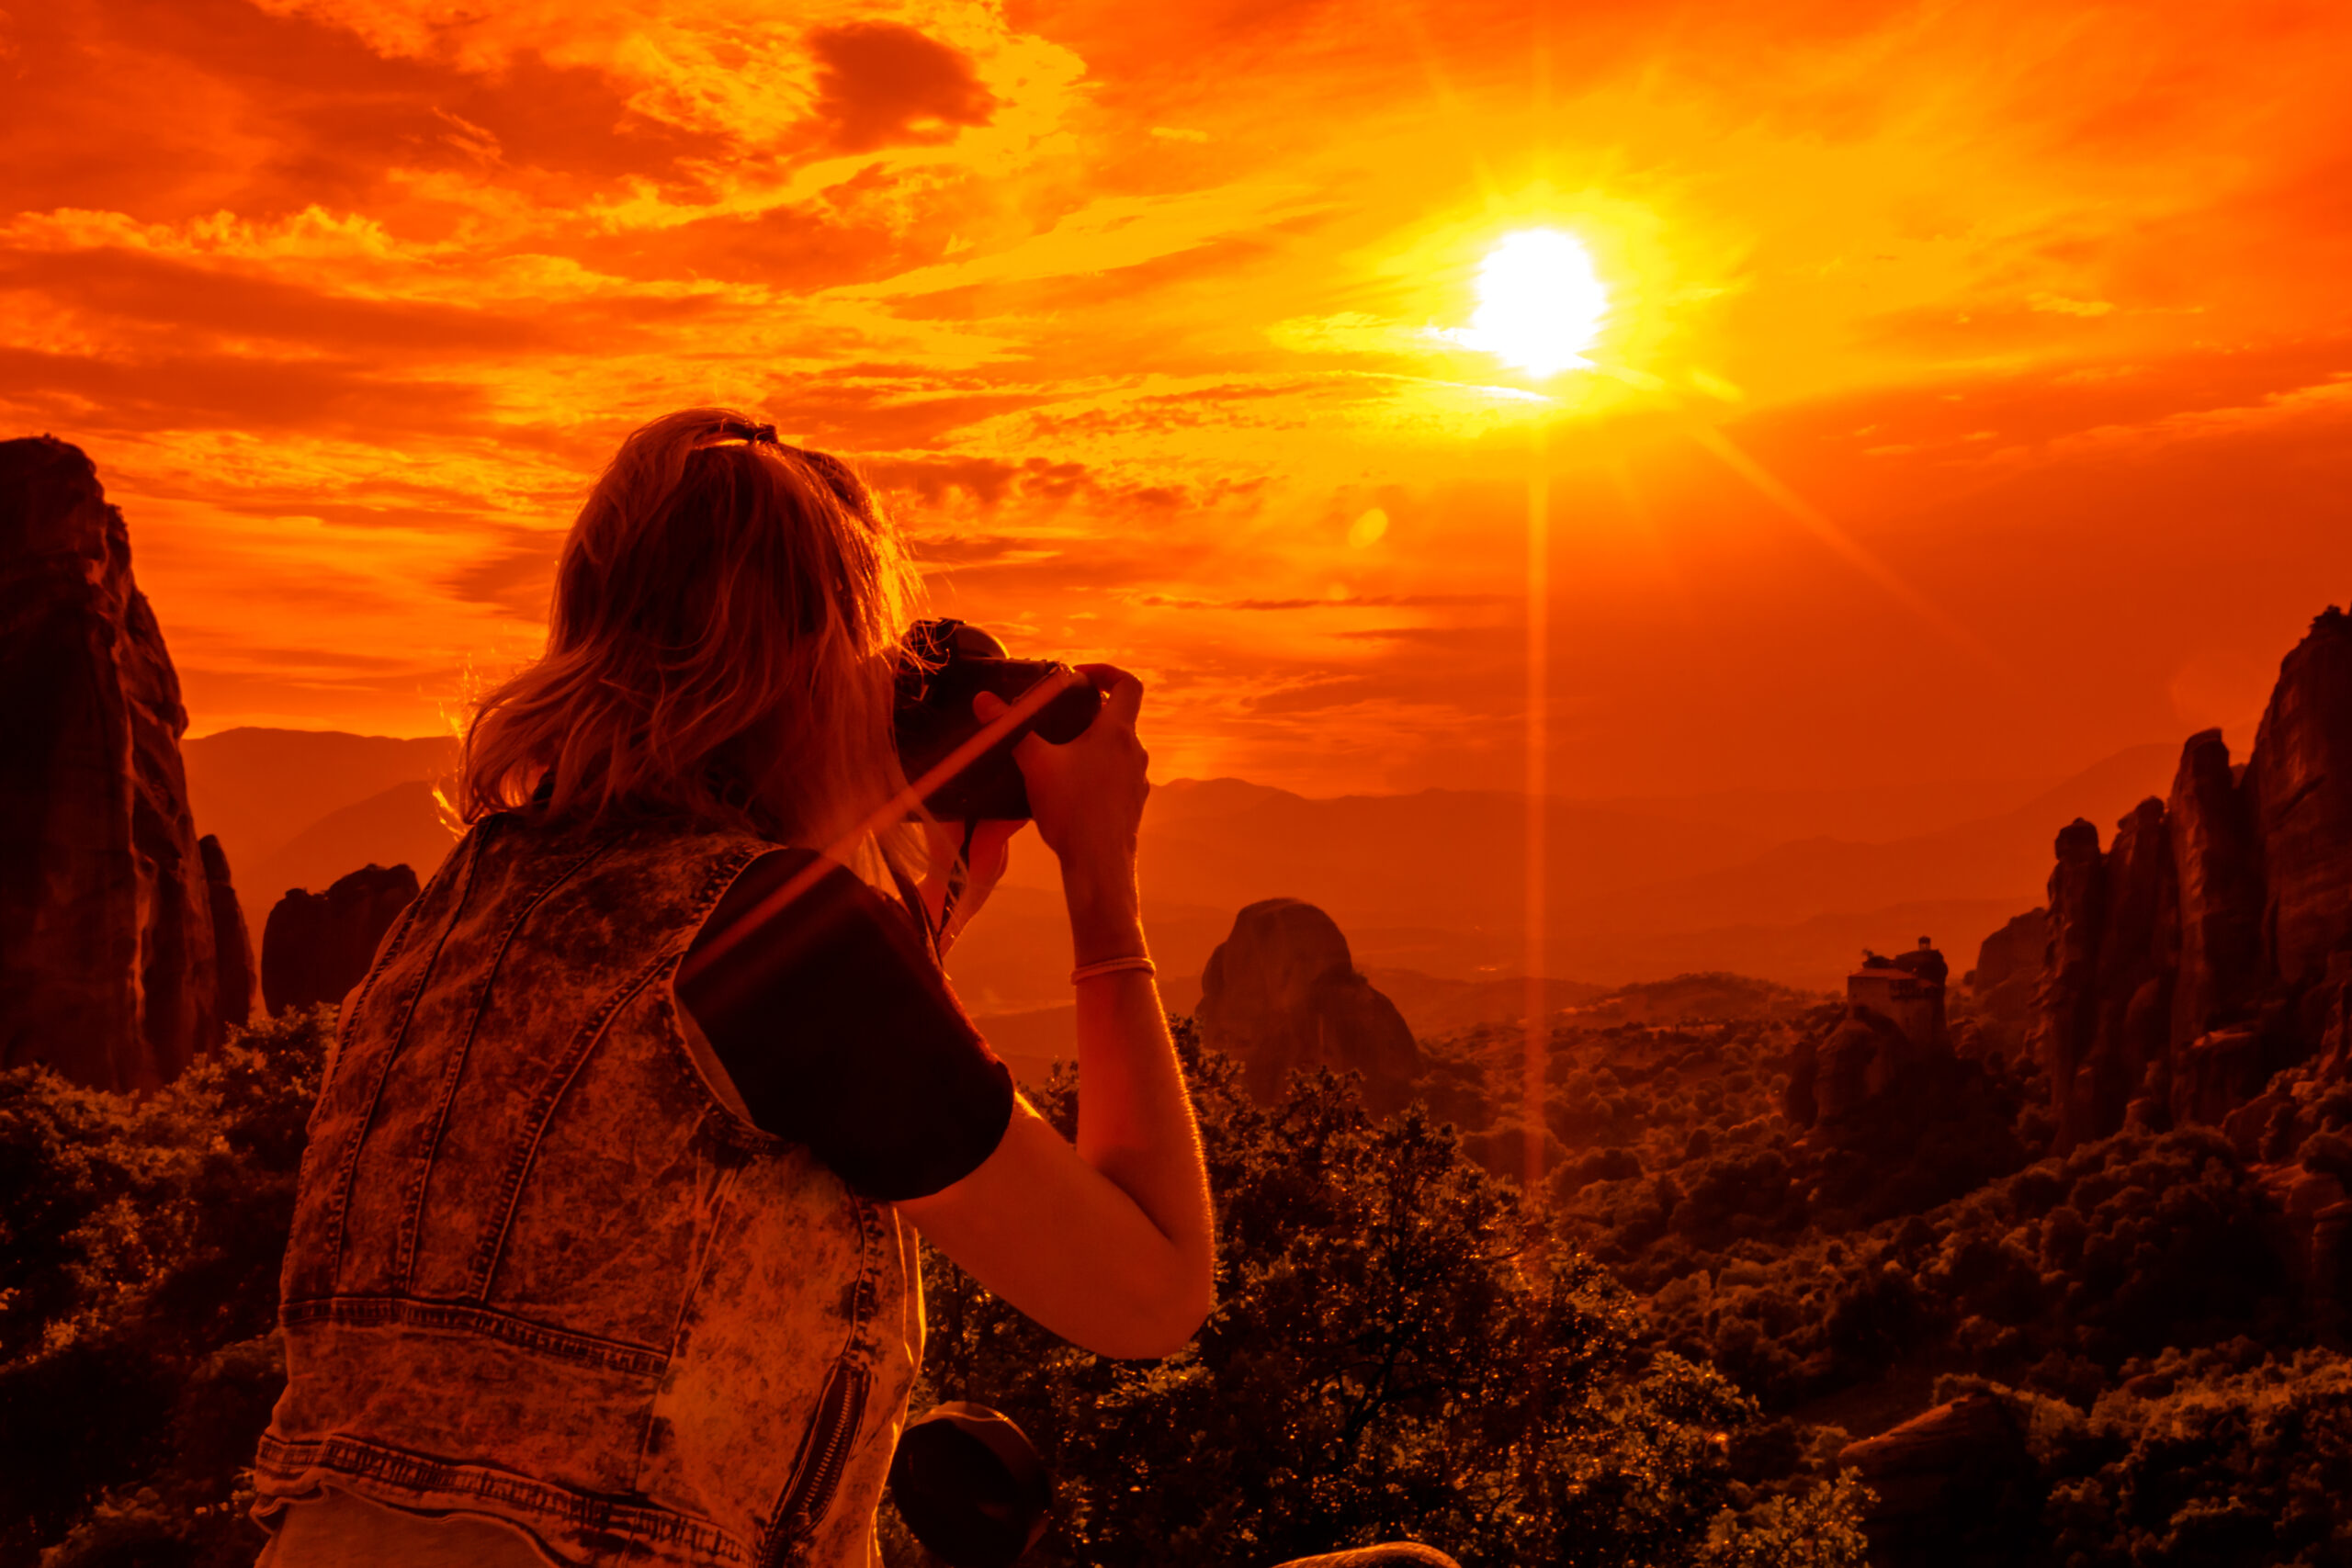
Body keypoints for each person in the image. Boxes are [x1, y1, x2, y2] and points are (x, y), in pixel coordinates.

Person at [248, 409, 1212, 1567]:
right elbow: (1150, 1295)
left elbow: (715, 1150)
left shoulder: (461, 905)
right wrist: (1102, 880)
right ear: (825, 658)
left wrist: (925, 914)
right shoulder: (780, 937)